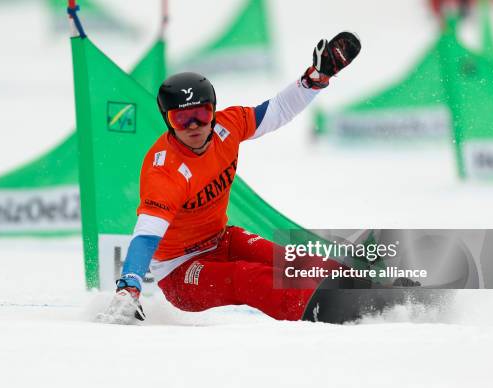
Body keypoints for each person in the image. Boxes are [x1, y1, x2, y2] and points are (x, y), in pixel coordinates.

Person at [97, 32, 362, 324]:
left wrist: (317, 77)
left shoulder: (229, 126)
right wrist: (129, 286)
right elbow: (146, 236)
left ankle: (376, 293)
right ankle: (336, 314)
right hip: (181, 273)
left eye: (201, 113)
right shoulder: (165, 170)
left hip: (221, 240)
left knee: (297, 263)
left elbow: (278, 110)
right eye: (181, 119)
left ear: (213, 111)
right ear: (168, 121)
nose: (194, 125)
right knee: (247, 277)